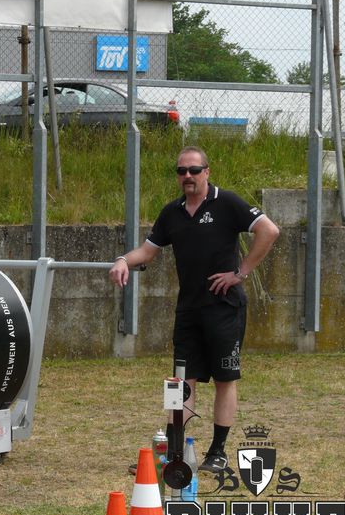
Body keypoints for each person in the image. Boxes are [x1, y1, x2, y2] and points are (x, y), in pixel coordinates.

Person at [109, 145, 280, 473]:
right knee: (181, 381)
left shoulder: (226, 202)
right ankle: (172, 452)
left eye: (194, 170)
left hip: (224, 308)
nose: (187, 176)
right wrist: (121, 260)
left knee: (224, 379)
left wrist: (241, 273)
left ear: (207, 172)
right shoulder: (171, 213)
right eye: (181, 171)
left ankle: (217, 452)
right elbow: (147, 252)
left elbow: (269, 231)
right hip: (188, 310)